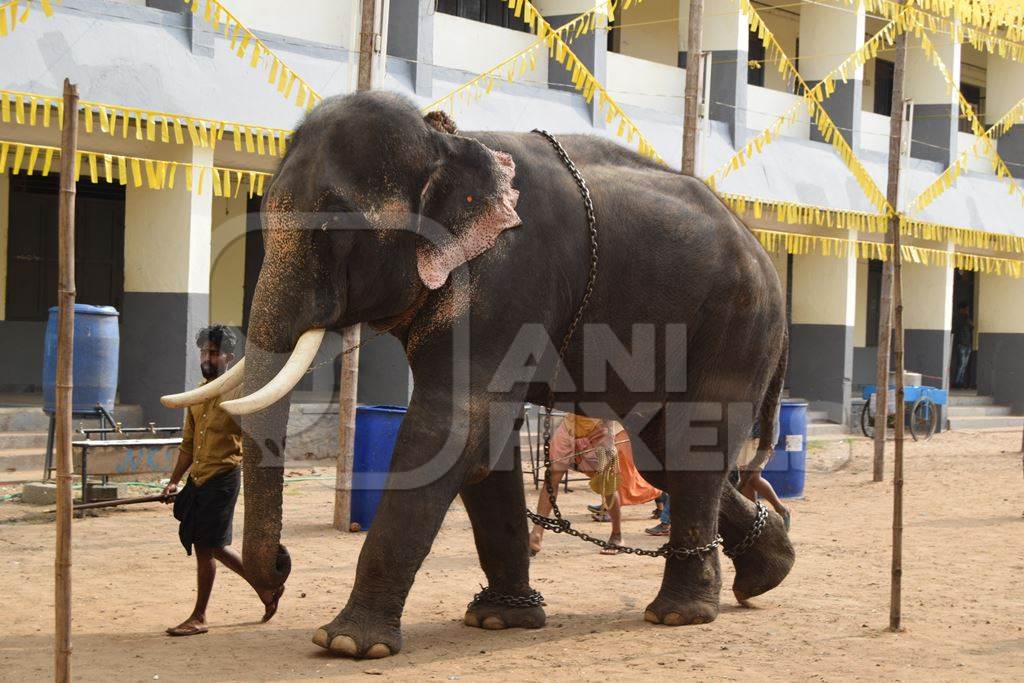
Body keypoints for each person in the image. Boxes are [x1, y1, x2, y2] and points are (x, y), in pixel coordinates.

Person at [162, 325, 283, 636]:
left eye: (213, 353)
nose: (207, 357)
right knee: (211, 545)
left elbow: (258, 436)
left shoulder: (240, 393)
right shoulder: (197, 395)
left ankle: (199, 617)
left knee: (206, 546)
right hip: (199, 479)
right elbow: (188, 446)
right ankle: (266, 588)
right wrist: (174, 481)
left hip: (223, 478)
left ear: (229, 357)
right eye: (204, 351)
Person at [530, 414, 658, 556]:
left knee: (607, 484)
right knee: (552, 477)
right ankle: (537, 532)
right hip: (570, 426)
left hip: (601, 429)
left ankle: (616, 535)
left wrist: (609, 435)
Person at [953, 304, 974, 388]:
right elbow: (958, 328)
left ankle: (960, 381)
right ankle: (957, 382)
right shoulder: (959, 319)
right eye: (965, 309)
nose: (967, 311)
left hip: (967, 344)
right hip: (961, 344)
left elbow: (972, 327)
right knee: (961, 364)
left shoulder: (968, 319)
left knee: (964, 365)